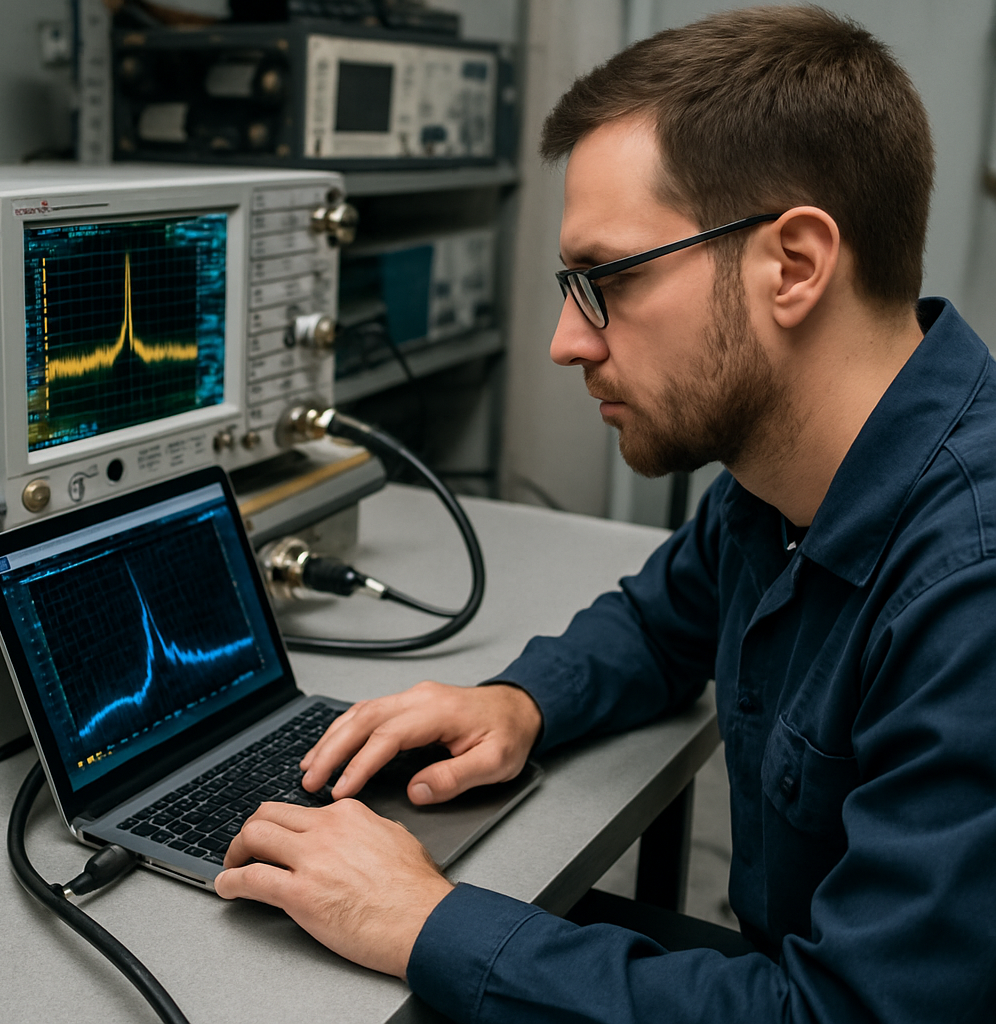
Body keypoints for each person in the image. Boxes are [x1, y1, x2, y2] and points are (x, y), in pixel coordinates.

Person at [214, 6, 996, 1021]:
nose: (565, 341)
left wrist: (418, 919)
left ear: (795, 265)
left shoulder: (968, 589)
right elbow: (661, 622)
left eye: (607, 281)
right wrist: (520, 702)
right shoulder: (789, 476)